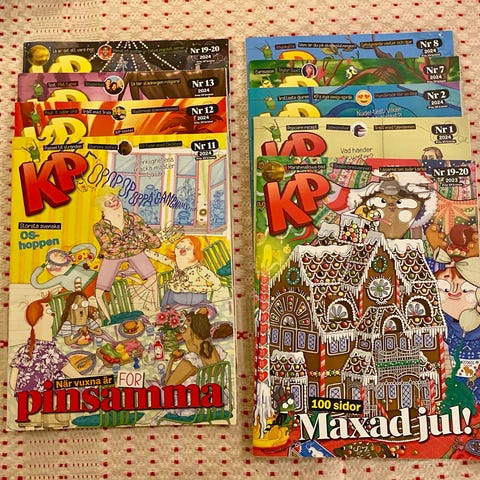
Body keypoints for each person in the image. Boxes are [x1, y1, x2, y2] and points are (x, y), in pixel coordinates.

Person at [9, 294, 80, 428]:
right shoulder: (51, 353)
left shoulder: (22, 351)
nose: (53, 313)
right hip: (52, 398)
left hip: (28, 398)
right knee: (56, 427)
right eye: (49, 311)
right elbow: (75, 376)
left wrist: (19, 393)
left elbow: (13, 381)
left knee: (30, 428)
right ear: (39, 319)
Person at [93, 188, 161, 320]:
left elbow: (149, 234)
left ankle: (154, 309)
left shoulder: (132, 217)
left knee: (153, 277)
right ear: (102, 208)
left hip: (135, 252)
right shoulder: (99, 227)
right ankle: (108, 319)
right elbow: (110, 247)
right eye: (107, 202)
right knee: (99, 293)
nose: (113, 203)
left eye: (114, 199)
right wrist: (138, 243)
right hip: (112, 257)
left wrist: (153, 243)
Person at [146, 235, 221, 311]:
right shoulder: (175, 264)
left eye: (188, 248)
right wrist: (145, 251)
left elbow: (217, 284)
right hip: (177, 297)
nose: (182, 250)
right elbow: (160, 257)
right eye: (178, 247)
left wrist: (197, 288)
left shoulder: (199, 269)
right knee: (169, 294)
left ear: (195, 253)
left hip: (195, 298)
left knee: (200, 310)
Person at [165, 308, 227, 387]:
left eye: (184, 328)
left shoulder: (192, 360)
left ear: (194, 333)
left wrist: (172, 358)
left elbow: (168, 385)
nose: (181, 332)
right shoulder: (217, 350)